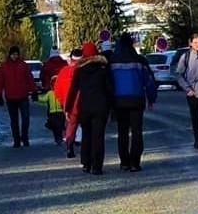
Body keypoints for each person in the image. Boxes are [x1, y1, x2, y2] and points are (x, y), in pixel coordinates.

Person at [109, 32, 157, 172]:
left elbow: (109, 82)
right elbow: (148, 81)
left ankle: (124, 162)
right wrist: (151, 98)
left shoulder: (112, 61)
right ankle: (135, 163)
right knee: (137, 131)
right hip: (137, 99)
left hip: (119, 101)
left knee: (122, 131)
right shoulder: (139, 60)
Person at [65, 41, 113, 175]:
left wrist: (68, 108)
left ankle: (86, 164)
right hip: (101, 107)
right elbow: (110, 88)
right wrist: (111, 106)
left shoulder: (80, 70)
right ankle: (97, 167)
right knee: (98, 136)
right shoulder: (104, 68)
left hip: (84, 106)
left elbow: (73, 90)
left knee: (86, 135)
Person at [0, 45, 39, 148]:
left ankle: (24, 137)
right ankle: (16, 139)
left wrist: (34, 91)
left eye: (16, 54)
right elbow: (0, 81)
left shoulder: (23, 65)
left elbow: (29, 79)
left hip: (23, 95)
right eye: (13, 54)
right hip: (11, 97)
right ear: (9, 55)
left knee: (25, 118)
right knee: (14, 120)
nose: (14, 56)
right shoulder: (4, 67)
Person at [54, 48, 83, 158]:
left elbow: (57, 90)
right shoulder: (85, 69)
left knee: (71, 125)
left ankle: (69, 146)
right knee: (86, 125)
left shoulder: (64, 71)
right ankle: (86, 146)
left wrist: (63, 102)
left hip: (69, 104)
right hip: (84, 102)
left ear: (71, 59)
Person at [38, 74, 66, 145]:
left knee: (60, 126)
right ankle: (57, 138)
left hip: (60, 112)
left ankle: (59, 138)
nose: (54, 85)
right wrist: (37, 98)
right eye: (53, 84)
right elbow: (44, 99)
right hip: (52, 112)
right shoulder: (50, 93)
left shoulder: (62, 92)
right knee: (54, 127)